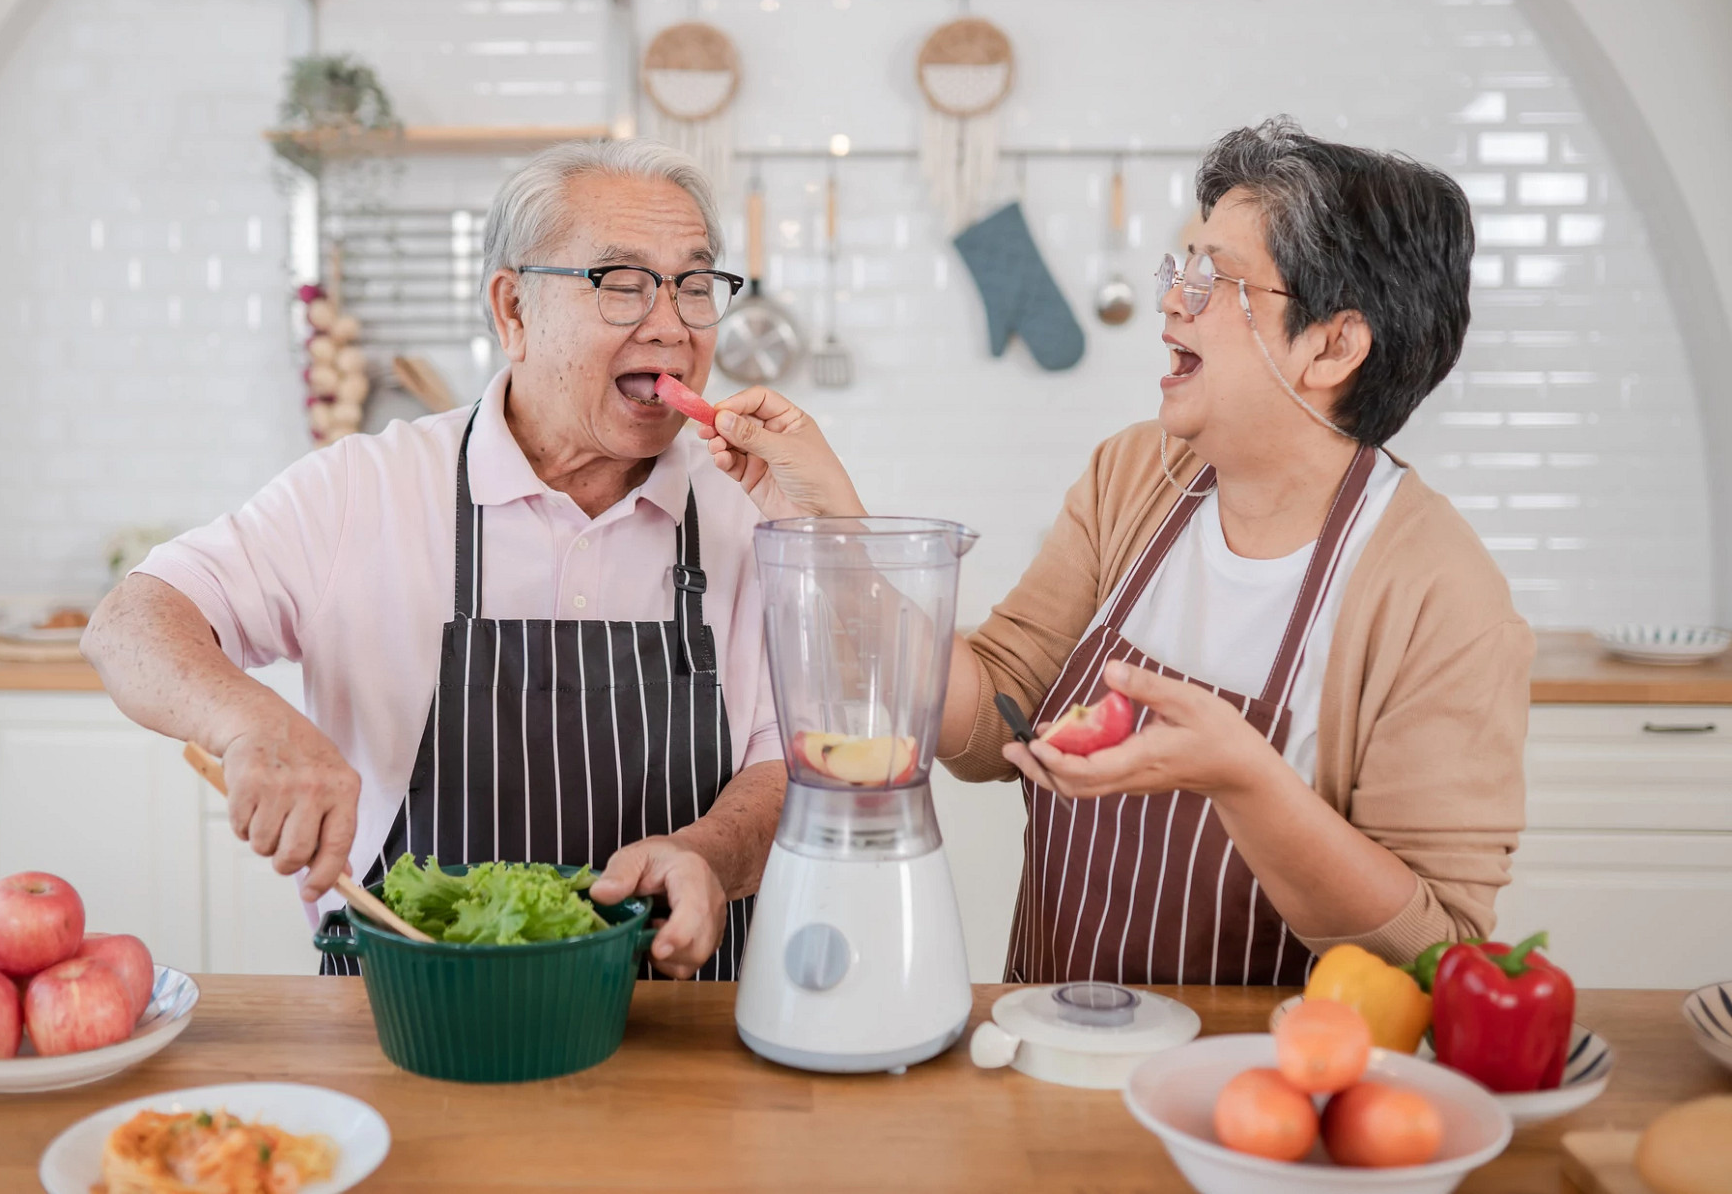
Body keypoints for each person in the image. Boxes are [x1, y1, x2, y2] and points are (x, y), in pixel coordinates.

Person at [701, 117, 1531, 985]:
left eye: (1219, 279)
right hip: (1052, 1042)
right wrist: (834, 519)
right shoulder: (1138, 476)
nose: (1174, 299)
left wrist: (1244, 779)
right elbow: (988, 723)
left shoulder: (1443, 595)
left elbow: (1440, 953)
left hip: (1258, 1097)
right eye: (1183, 268)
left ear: (1333, 345)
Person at [83, 140, 786, 981]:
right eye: (623, 283)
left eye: (695, 286)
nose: (671, 324)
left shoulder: (752, 511)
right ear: (512, 310)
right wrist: (251, 723)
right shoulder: (362, 489)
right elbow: (130, 621)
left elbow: (798, 761)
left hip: (681, 1025)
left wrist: (708, 852)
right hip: (408, 1024)